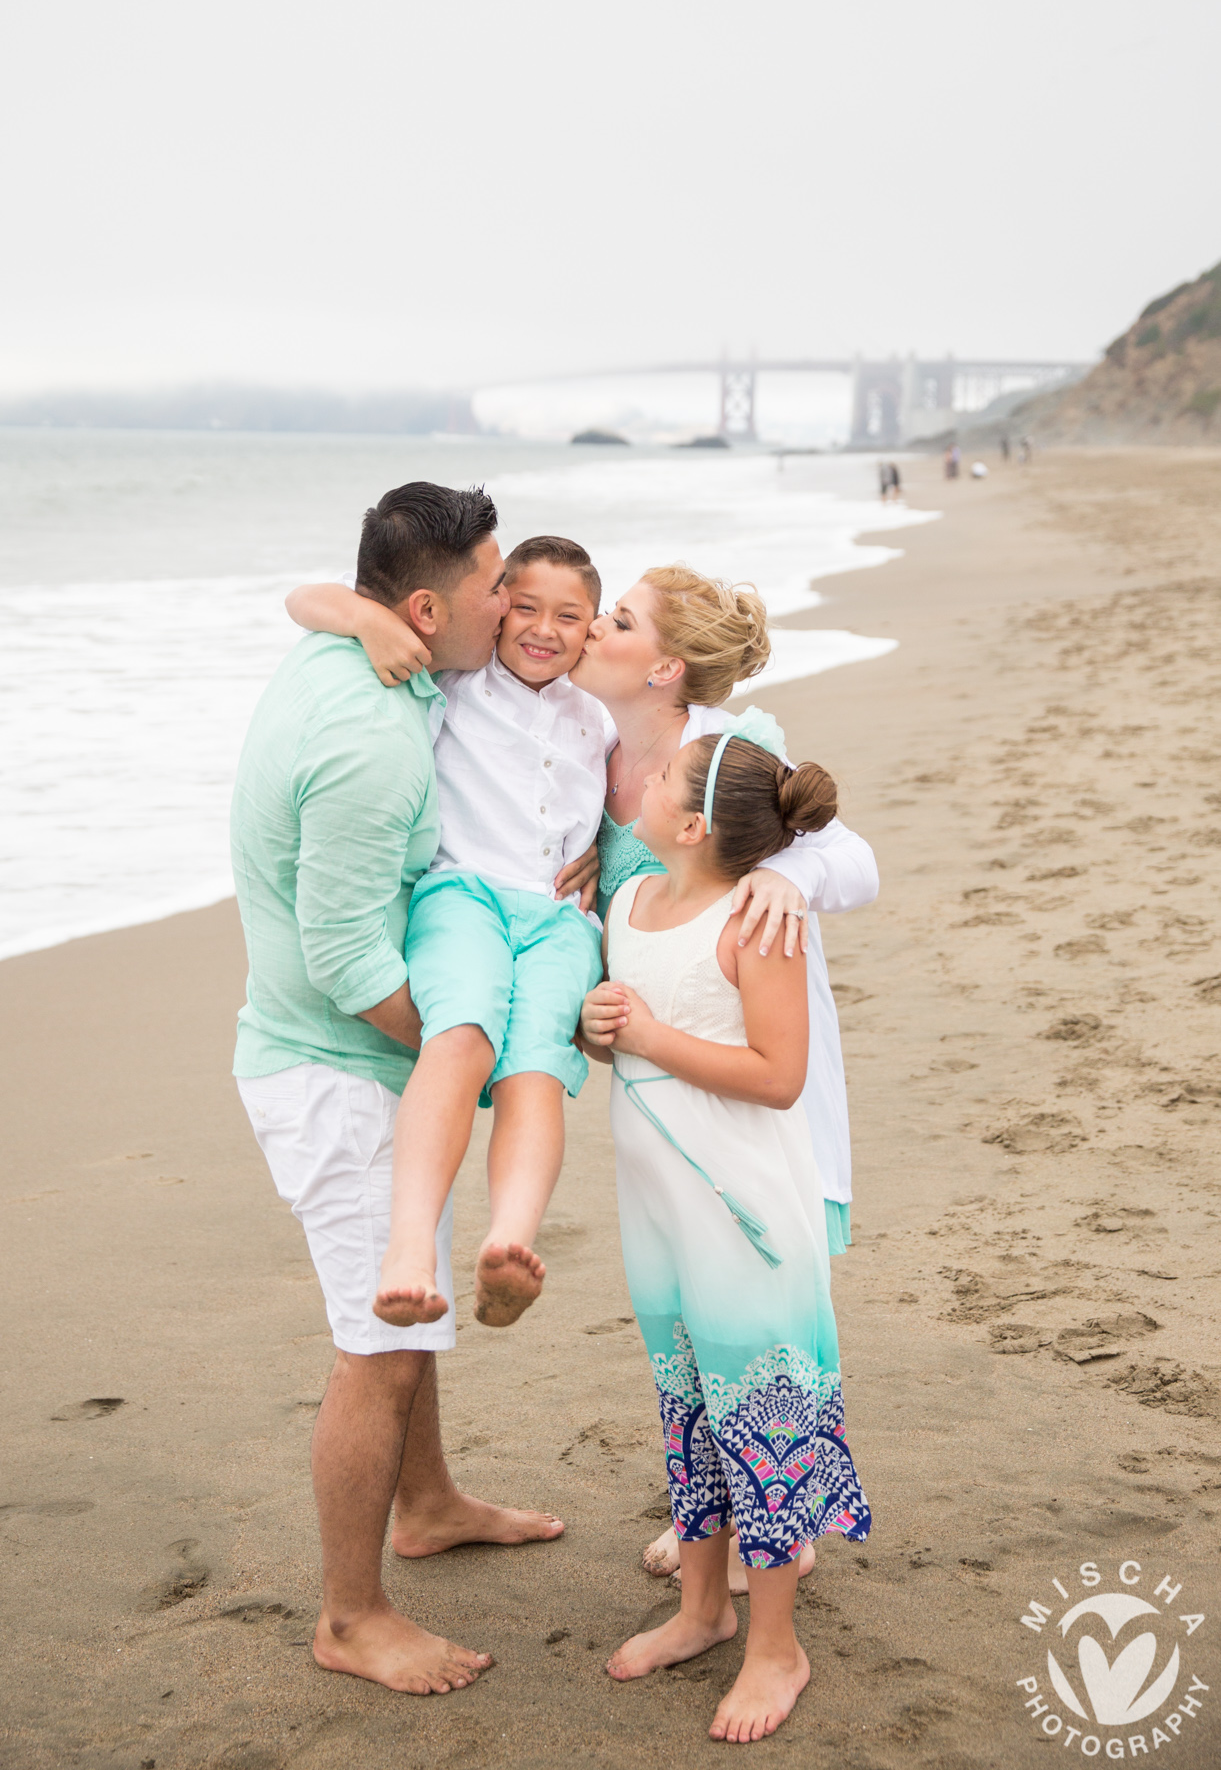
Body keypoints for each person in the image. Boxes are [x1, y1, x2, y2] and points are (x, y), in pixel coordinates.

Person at [230, 482, 564, 1699]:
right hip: (327, 1067)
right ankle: (351, 1611)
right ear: (427, 606)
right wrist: (465, 1051)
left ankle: (425, 1502)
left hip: (346, 1054)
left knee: (409, 1307)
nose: (513, 602)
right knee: (383, 1331)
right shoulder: (372, 736)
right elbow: (345, 958)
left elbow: (319, 597)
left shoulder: (356, 644)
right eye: (495, 589)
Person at [569, 566, 876, 1590]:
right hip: (654, 1085)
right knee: (685, 1320)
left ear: (663, 666)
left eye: (610, 617)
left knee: (764, 1305)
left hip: (737, 1058)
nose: (581, 628)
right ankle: (720, 1515)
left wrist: (786, 872)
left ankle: (773, 1519)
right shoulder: (579, 744)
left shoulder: (724, 760)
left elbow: (852, 858)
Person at [284, 536, 607, 1332]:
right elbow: (301, 600)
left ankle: (507, 1243)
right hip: (463, 896)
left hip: (561, 921)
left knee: (535, 1067)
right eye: (523, 605)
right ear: (495, 612)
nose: (542, 628)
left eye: (568, 616)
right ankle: (407, 1248)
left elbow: (642, 805)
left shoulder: (598, 717)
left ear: (593, 630)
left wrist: (603, 845)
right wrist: (367, 620)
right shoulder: (454, 683)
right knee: (458, 1034)